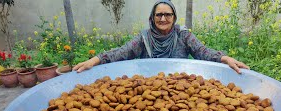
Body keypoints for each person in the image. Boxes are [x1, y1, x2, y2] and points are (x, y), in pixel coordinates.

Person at [73, 0, 249, 74]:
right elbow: (121, 52)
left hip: (181, 86)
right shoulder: (144, 38)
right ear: (152, 18)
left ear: (174, 18)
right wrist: (94, 60)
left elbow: (202, 51)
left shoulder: (183, 35)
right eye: (158, 15)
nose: (163, 19)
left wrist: (225, 59)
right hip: (148, 88)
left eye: (168, 14)